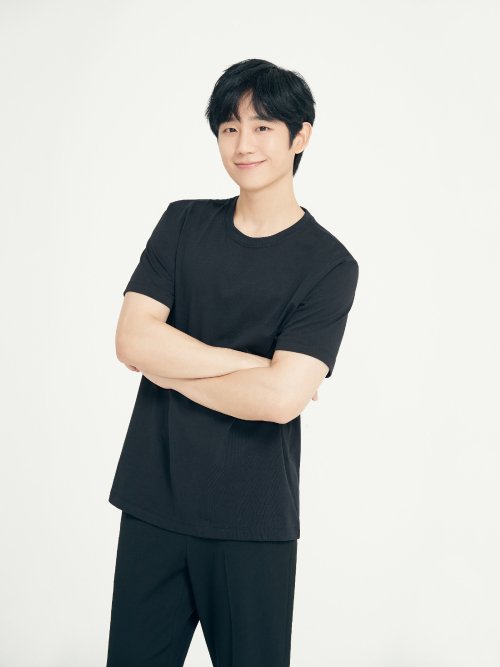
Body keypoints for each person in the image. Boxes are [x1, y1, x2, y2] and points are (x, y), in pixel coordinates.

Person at [105, 58, 360, 667]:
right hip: (153, 502)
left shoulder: (329, 265)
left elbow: (279, 401)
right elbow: (133, 340)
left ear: (300, 137)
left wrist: (170, 366)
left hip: (253, 522)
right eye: (229, 128)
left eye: (263, 127)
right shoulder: (183, 223)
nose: (244, 144)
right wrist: (248, 366)